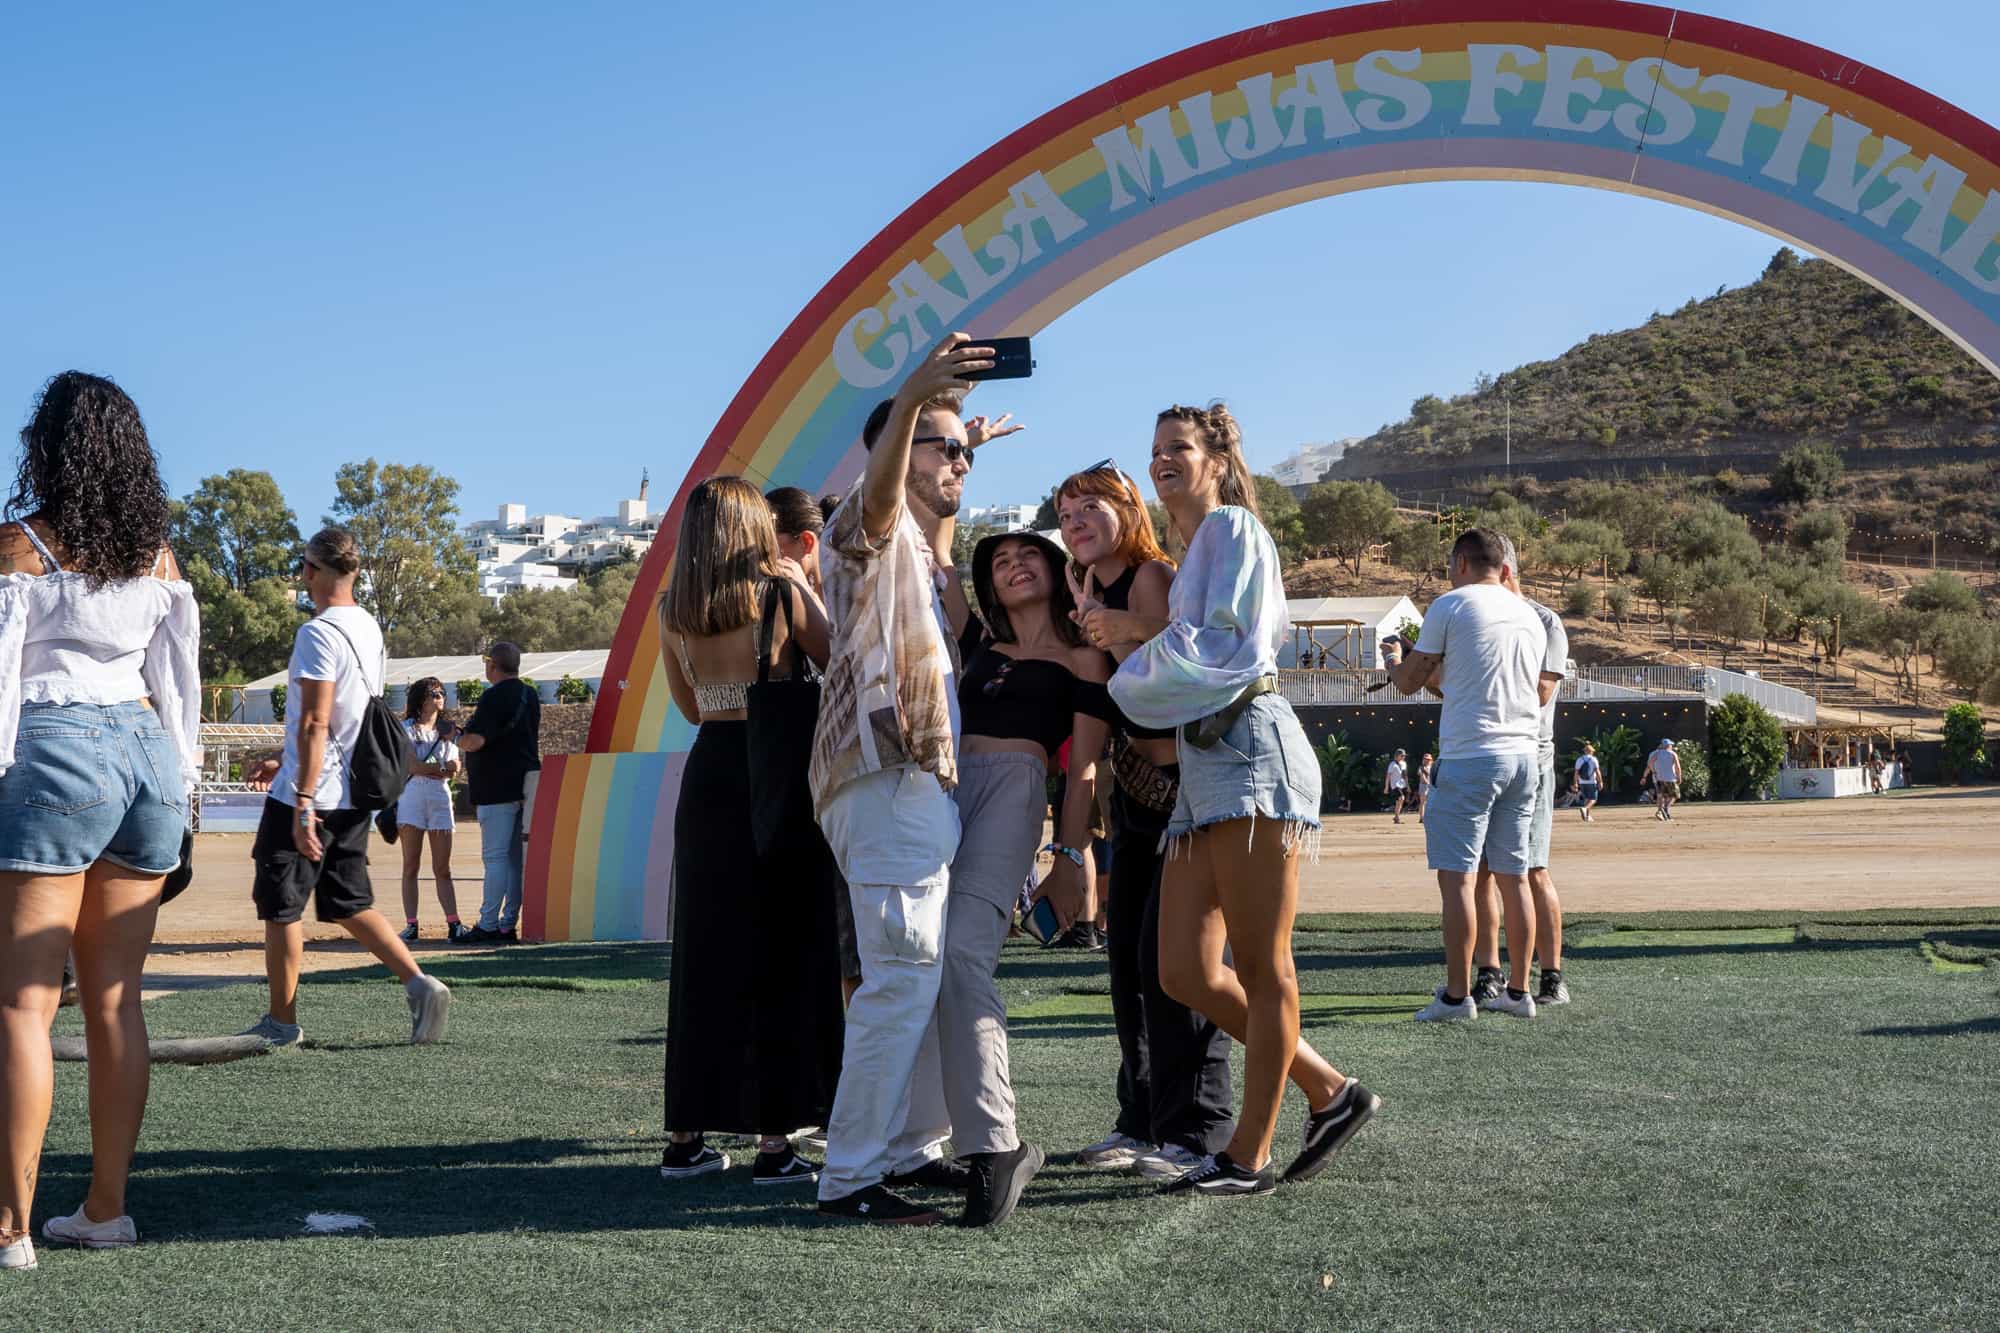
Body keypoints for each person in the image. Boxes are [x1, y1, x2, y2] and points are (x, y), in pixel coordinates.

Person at [1107, 403, 1378, 1198]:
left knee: (1263, 966)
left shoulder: (1229, 531)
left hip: (1249, 748)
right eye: (1155, 449)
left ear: (1217, 460)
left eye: (1178, 448)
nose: (1162, 461)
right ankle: (1329, 1090)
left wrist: (1124, 654)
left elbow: (1214, 651)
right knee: (1184, 969)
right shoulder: (1198, 547)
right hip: (1205, 761)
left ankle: (1248, 1153)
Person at [809, 334, 1035, 1227]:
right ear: (896, 448)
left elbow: (924, 518)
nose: (964, 464)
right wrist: (914, 406)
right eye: (950, 450)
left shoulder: (914, 543)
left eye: (970, 453)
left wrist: (951, 436)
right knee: (900, 978)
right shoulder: (861, 530)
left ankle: (908, 1147)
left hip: (913, 784)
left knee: (922, 973)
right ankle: (850, 1175)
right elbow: (883, 494)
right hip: (889, 778)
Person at [0, 372, 199, 1269]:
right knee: (117, 997)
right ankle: (104, 1209)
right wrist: (185, 782)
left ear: (48, 448)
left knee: (21, 1003)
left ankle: (10, 1229)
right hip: (148, 755)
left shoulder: (23, 544)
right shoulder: (157, 551)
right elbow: (179, 680)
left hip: (53, 746)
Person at [658, 476, 842, 1187]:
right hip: (778, 772)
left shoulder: (671, 611)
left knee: (704, 955)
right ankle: (775, 1143)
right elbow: (841, 664)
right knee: (784, 952)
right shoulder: (782, 596)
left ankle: (684, 1139)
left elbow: (693, 708)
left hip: (709, 779)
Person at [1056, 460, 1235, 1183]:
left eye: (1091, 505)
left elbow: (1174, 669)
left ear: (1127, 508)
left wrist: (1114, 629)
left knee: (1180, 968)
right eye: (1066, 512)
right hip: (1134, 797)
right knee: (1128, 961)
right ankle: (1143, 1119)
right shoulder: (1093, 586)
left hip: (1179, 792)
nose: (1076, 521)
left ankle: (1195, 1129)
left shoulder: (1150, 578)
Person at [938, 529, 1109, 1220]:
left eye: (1027, 555)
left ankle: (998, 1141)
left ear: (1056, 567)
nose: (1012, 564)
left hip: (1016, 788)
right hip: (938, 792)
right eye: (1000, 560)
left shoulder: (1084, 654)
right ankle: (924, 1141)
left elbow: (1085, 770)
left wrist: (1066, 860)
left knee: (961, 956)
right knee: (922, 960)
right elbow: (940, 561)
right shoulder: (975, 639)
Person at [241, 527, 452, 1048]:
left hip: (310, 794)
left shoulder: (317, 633)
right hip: (353, 790)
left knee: (281, 905)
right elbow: (345, 717)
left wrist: (302, 797)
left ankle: (281, 1022)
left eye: (305, 565)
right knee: (346, 900)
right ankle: (420, 983)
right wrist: (284, 759)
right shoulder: (367, 628)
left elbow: (316, 721)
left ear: (314, 570)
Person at [1384, 527, 1552, 1023]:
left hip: (1470, 755)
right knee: (1513, 876)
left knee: (1457, 880)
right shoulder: (1529, 615)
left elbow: (1411, 683)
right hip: (1523, 756)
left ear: (1460, 564)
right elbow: (1470, 684)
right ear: (1504, 567)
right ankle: (1520, 992)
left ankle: (1458, 997)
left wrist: (1395, 660)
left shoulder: (1450, 606)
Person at [766, 486, 861, 999]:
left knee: (857, 949)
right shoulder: (774, 604)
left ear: (805, 543)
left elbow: (843, 669)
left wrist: (801, 591)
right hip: (804, 794)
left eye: (764, 545)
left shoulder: (848, 596)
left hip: (851, 791)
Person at [1469, 538, 1570, 1012]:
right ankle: (1489, 973)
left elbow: (1542, 692)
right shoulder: (1472, 617)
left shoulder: (1545, 621)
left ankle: (1550, 975)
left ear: (1504, 571)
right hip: (1485, 753)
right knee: (1483, 871)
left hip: (1531, 756)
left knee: (1531, 870)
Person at [455, 641, 541, 943]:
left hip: (495, 787)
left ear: (492, 665)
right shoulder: (529, 694)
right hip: (526, 783)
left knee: (494, 858)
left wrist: (455, 737)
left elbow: (475, 741)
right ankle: (507, 924)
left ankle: (488, 923)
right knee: (516, 861)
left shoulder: (493, 697)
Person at [394, 677, 467, 943]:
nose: (439, 697)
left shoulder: (447, 731)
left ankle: (454, 923)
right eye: (433, 693)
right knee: (410, 864)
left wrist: (442, 770)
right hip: (411, 799)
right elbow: (413, 767)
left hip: (439, 799)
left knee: (442, 867)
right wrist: (441, 770)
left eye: (441, 693)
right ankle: (411, 924)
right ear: (420, 698)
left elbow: (455, 767)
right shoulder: (405, 729)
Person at [1643, 739, 1682, 821]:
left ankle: (1662, 811)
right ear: (1668, 746)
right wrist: (1679, 777)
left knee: (1661, 795)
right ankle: (1665, 808)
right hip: (1671, 778)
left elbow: (1649, 763)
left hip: (1659, 778)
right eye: (1671, 745)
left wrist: (1654, 771)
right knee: (1675, 795)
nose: (1671, 746)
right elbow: (1678, 767)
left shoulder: (1656, 753)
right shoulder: (1672, 754)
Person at [1574, 741, 1602, 822]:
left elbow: (1576, 773)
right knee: (1593, 799)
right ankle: (1585, 809)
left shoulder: (1579, 759)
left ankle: (1587, 817)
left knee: (1587, 799)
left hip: (1582, 782)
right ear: (1591, 751)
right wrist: (1600, 782)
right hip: (1591, 782)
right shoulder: (1594, 759)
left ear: (1584, 751)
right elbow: (1597, 771)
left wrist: (1575, 783)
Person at [1384, 748, 1410, 824]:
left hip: (1402, 784)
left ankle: (1396, 817)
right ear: (1397, 755)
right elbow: (1388, 776)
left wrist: (1408, 785)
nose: (1403, 757)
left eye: (1404, 756)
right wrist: (1386, 787)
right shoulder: (1392, 764)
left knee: (1399, 801)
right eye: (1402, 755)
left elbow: (1405, 775)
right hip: (1395, 785)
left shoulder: (1404, 763)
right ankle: (1397, 817)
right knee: (1401, 798)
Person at [1415, 752, 1435, 824]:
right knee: (1423, 802)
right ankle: (1422, 818)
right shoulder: (1421, 767)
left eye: (1428, 759)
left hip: (1431, 786)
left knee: (1430, 803)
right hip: (1423, 786)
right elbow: (1422, 776)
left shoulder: (1432, 767)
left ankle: (1429, 817)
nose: (1427, 760)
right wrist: (1428, 783)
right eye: (1425, 759)